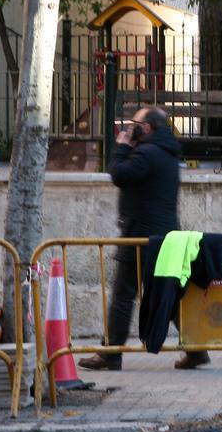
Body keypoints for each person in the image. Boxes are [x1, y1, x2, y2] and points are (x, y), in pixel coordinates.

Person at [79, 107, 210, 372]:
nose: (129, 128)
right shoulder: (167, 154)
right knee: (164, 295)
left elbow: (119, 175)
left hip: (140, 236)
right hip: (165, 236)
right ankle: (196, 349)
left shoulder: (146, 154)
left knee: (123, 295)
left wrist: (122, 147)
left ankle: (111, 353)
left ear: (146, 128)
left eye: (134, 124)